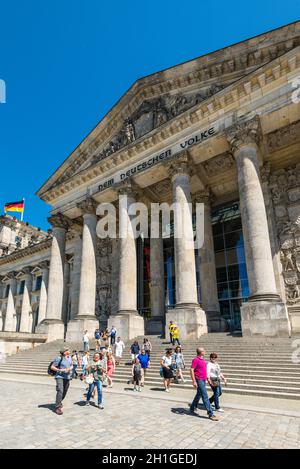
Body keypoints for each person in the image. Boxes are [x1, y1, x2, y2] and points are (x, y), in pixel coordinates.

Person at [189, 347, 219, 421]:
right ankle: (210, 414)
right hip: (198, 379)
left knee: (199, 394)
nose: (205, 351)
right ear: (200, 352)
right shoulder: (195, 359)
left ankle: (192, 407)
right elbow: (191, 370)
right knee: (205, 395)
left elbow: (204, 371)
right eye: (203, 350)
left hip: (203, 379)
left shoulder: (203, 360)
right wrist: (194, 381)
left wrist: (208, 379)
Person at [50, 348, 73, 415]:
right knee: (60, 390)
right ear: (64, 352)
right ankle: (58, 407)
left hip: (67, 377)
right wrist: (60, 370)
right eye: (68, 350)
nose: (69, 351)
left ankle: (59, 402)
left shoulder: (69, 357)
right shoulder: (59, 358)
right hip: (59, 376)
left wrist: (69, 369)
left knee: (65, 391)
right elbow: (52, 367)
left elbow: (71, 365)